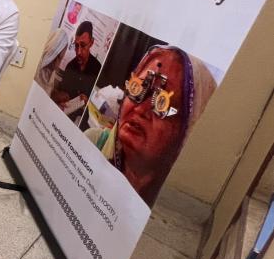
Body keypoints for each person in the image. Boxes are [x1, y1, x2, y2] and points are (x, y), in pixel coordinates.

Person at [86, 46, 216, 207]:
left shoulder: (170, 203)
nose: (140, 109)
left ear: (187, 131)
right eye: (138, 89)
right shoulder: (92, 144)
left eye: (161, 103)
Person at [52, 20, 102, 117]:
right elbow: (61, 94)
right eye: (76, 45)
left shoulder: (98, 69)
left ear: (91, 42)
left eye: (83, 45)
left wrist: (88, 103)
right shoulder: (70, 66)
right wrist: (61, 99)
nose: (78, 52)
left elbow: (100, 106)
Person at [36, 28, 68, 96]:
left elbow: (48, 92)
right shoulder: (36, 68)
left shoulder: (51, 73)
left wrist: (58, 96)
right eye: (59, 58)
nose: (58, 63)